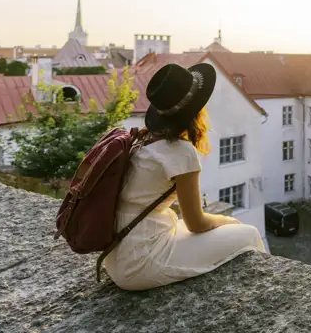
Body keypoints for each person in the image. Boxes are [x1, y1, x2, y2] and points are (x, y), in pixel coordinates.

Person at [103, 62, 265, 290]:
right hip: (141, 263)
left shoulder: (140, 140)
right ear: (197, 111)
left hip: (116, 255)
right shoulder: (180, 152)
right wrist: (230, 221)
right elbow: (196, 223)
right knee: (249, 233)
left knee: (217, 230)